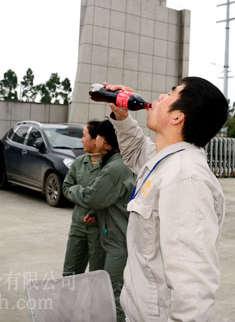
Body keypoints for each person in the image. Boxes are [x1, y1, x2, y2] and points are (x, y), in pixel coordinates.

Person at [105, 77, 228, 321]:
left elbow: (193, 284)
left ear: (177, 117)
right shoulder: (166, 161)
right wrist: (121, 115)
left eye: (170, 94)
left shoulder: (186, 179)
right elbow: (136, 153)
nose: (160, 97)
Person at [63, 120, 135, 322]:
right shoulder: (115, 163)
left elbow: (91, 197)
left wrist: (76, 191)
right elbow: (110, 199)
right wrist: (95, 212)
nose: (95, 140)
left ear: (106, 140)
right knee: (104, 290)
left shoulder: (114, 168)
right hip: (112, 236)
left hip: (117, 242)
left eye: (99, 136)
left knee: (111, 295)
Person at [61, 120, 106, 276]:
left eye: (84, 136)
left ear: (95, 139)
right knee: (70, 273)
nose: (81, 139)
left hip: (100, 228)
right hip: (78, 225)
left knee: (97, 276)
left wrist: (84, 195)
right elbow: (66, 187)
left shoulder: (110, 166)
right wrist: (86, 195)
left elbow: (109, 195)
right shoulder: (79, 162)